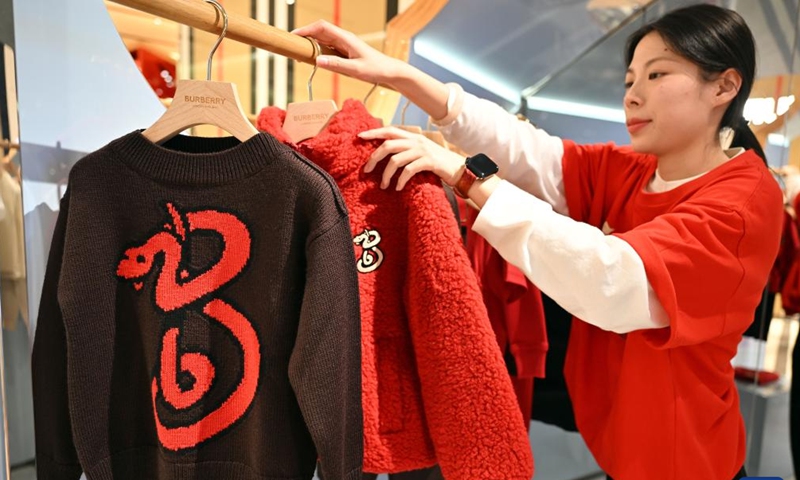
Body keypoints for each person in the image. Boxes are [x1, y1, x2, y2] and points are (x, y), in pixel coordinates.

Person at [294, 4, 783, 480]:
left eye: (656, 75)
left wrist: (466, 178)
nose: (632, 97)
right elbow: (534, 154)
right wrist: (402, 76)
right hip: (621, 440)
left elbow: (612, 280)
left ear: (724, 86)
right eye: (630, 80)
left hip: (683, 455)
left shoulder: (741, 204)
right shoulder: (638, 170)